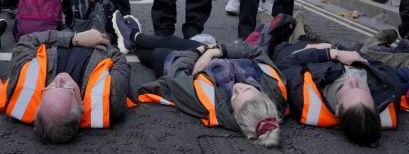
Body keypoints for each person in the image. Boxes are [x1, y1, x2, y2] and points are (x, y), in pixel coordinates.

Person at [112, 11, 284, 147]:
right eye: (247, 88)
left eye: (235, 97)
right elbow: (254, 51)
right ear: (264, 98)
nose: (238, 88)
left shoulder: (211, 104)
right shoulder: (275, 85)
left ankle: (134, 39)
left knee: (154, 54)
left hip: (183, 65)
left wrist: (197, 53)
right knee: (169, 39)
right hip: (215, 55)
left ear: (235, 115)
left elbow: (176, 76)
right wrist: (216, 51)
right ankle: (133, 36)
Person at [267, 20, 402, 147]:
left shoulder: (303, 98)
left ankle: (289, 31)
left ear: (338, 110)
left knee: (283, 30)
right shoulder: (390, 94)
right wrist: (345, 52)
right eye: (362, 87)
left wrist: (331, 53)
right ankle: (301, 31)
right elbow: (382, 67)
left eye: (349, 88)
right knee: (371, 52)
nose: (354, 81)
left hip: (301, 52)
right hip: (340, 49)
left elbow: (284, 65)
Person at [0, 26, 130, 144]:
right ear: (81, 105)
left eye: (50, 87)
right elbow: (120, 62)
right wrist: (102, 40)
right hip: (98, 40)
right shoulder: (111, 99)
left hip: (62, 33)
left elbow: (27, 40)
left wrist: (75, 38)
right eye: (66, 87)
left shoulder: (19, 85)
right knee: (101, 14)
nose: (59, 78)